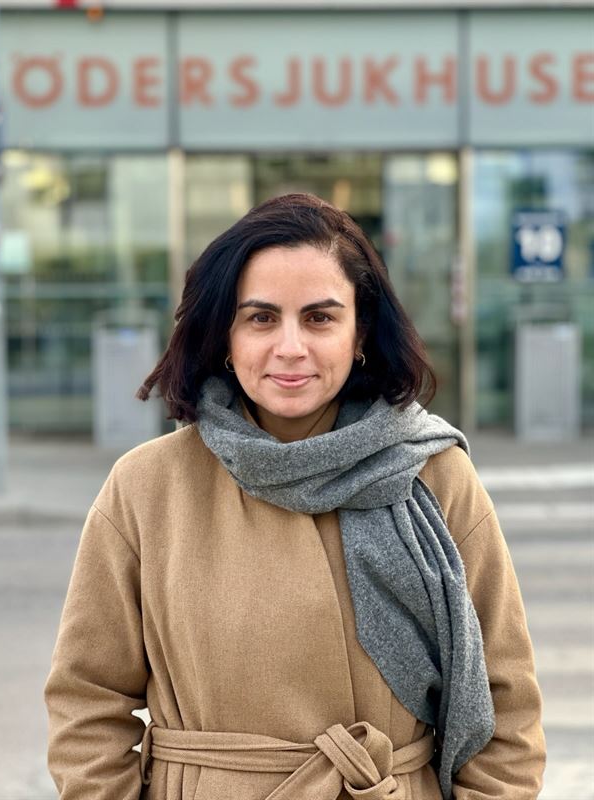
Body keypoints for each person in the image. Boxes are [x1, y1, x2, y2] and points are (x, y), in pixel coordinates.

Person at [44, 193, 546, 800]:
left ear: (360, 333)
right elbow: (87, 703)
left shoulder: (435, 474)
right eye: (261, 318)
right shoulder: (146, 487)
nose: (289, 347)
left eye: (319, 318)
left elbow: (505, 704)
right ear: (225, 336)